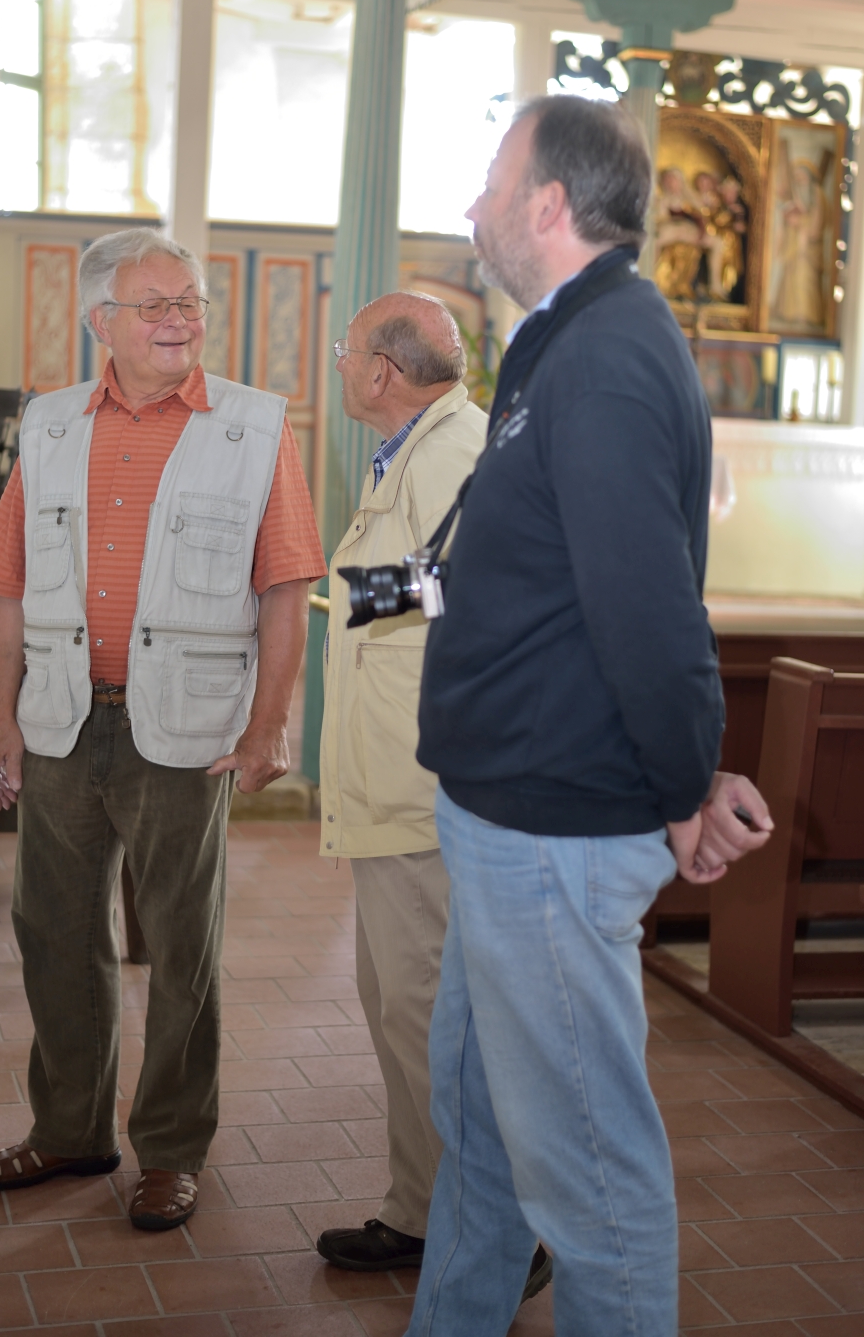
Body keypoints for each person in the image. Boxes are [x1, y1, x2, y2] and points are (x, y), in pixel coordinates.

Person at [403, 97, 774, 1337]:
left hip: (554, 830)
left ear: (550, 206)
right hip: (501, 812)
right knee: (486, 1131)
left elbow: (647, 606)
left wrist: (685, 785)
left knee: (593, 1176)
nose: (473, 208)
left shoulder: (609, 350)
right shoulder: (559, 337)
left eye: (489, 183)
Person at [0, 228, 326, 1231]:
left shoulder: (253, 426)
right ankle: (71, 1126)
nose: (182, 319)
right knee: (55, 932)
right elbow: (5, 586)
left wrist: (270, 725)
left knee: (179, 944)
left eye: (194, 301)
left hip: (190, 729)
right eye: (157, 304)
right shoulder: (47, 423)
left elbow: (287, 586)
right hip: (61, 723)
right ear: (102, 323)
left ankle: (170, 1148)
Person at [313, 293, 555, 1293]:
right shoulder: (418, 443)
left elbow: (475, 577)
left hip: (422, 777)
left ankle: (496, 1234)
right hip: (395, 768)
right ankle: (424, 1209)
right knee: (399, 1004)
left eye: (345, 350)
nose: (337, 364)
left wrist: (356, 592)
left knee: (428, 1018)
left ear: (381, 372)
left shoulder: (455, 446)